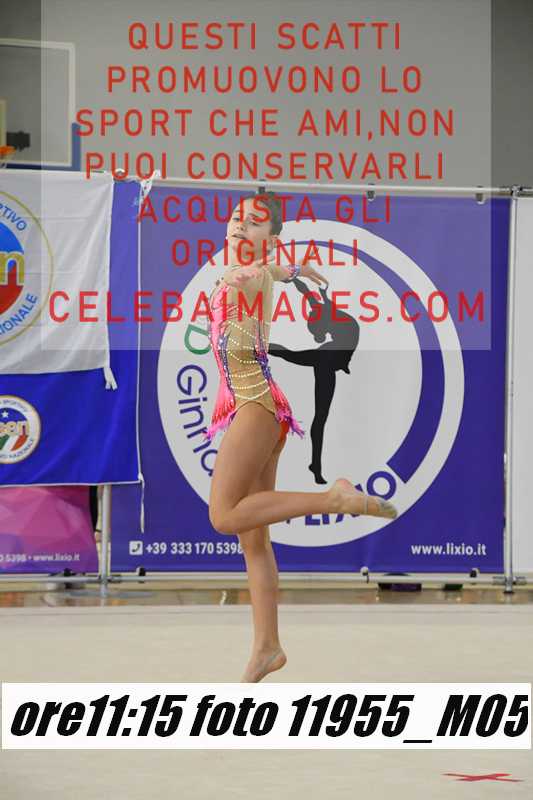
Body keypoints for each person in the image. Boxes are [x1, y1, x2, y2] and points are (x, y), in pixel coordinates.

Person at [204, 191, 397, 682]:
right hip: (264, 408)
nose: (239, 225)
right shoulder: (255, 270)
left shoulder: (247, 275)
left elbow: (256, 274)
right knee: (254, 541)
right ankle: (267, 647)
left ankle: (334, 498)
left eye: (254, 222)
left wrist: (256, 272)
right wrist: (291, 270)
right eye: (237, 216)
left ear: (270, 237)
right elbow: (271, 270)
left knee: (224, 516)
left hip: (255, 408)